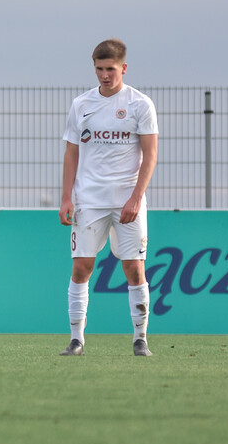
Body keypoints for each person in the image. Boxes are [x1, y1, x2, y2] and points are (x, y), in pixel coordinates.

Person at [58, 38, 158, 357]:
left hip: (128, 200)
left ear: (123, 68)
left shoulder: (140, 104)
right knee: (82, 267)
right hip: (89, 200)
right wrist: (66, 198)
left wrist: (136, 198)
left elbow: (151, 154)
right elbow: (71, 153)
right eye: (99, 69)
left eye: (110, 69)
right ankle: (76, 340)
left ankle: (140, 338)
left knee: (134, 268)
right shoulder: (81, 105)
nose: (104, 75)